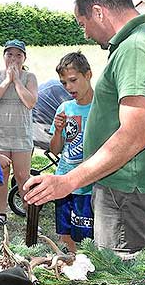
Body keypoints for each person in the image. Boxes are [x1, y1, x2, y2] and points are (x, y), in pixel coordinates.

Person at [24, 0, 145, 256]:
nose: (85, 33)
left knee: (118, 268)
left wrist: (68, 181)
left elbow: (133, 135)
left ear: (98, 12)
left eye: (83, 24)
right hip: (127, 186)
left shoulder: (136, 48)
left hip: (126, 187)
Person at [0, 39, 38, 228]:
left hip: (21, 136)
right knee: (2, 174)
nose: (13, 59)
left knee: (23, 176)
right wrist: (7, 80)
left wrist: (16, 81)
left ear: (24, 58)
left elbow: (30, 101)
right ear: (4, 57)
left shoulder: (29, 77)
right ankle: (1, 213)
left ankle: (29, 212)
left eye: (18, 55)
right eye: (9, 54)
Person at [49, 52, 94, 253]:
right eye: (64, 83)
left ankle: (87, 261)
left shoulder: (101, 107)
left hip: (90, 184)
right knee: (64, 231)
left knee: (88, 231)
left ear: (88, 75)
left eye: (73, 80)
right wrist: (58, 131)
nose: (69, 87)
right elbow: (55, 149)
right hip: (64, 179)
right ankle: (74, 260)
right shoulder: (65, 107)